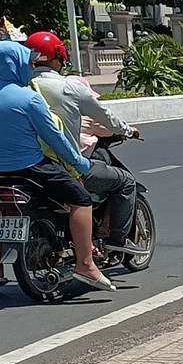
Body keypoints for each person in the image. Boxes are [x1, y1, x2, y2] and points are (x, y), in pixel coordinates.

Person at [0, 38, 111, 292]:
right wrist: (78, 162)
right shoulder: (29, 99)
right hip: (29, 168)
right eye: (27, 62)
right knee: (81, 199)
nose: (30, 66)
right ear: (16, 64)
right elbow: (54, 137)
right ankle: (86, 265)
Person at [24, 31, 139, 258]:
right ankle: (117, 239)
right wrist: (128, 130)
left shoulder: (22, 88)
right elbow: (105, 116)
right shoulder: (69, 87)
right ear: (59, 57)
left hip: (24, 167)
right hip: (65, 165)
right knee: (125, 182)